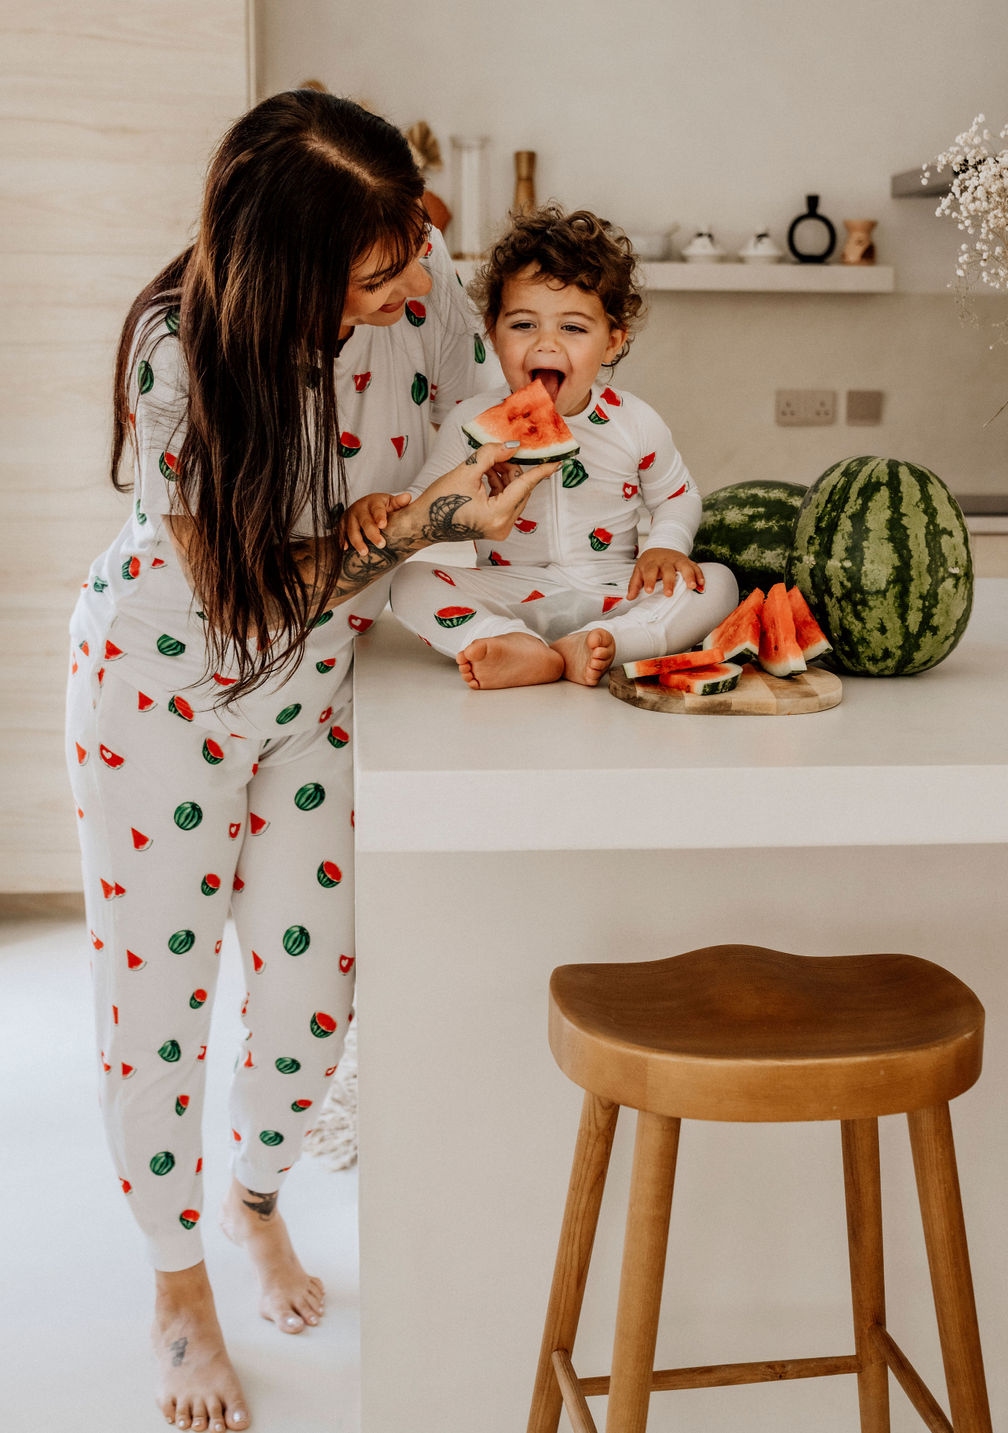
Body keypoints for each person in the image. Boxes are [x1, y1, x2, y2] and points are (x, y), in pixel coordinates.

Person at [64, 89, 556, 1433]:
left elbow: (503, 406)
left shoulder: (422, 281)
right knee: (156, 1012)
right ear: (288, 272)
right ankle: (180, 1290)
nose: (411, 284)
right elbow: (242, 592)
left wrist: (549, 432)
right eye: (377, 265)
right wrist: (426, 525)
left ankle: (255, 1199)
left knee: (316, 997)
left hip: (312, 693)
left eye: (410, 245)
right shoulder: (176, 352)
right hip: (159, 695)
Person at [384, 205, 738, 688]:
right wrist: (385, 509)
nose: (547, 345)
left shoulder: (634, 420)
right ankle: (508, 642)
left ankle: (607, 641)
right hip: (512, 589)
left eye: (572, 328)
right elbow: (430, 504)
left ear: (612, 342)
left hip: (614, 589)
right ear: (492, 332)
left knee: (717, 582)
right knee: (407, 582)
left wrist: (664, 547)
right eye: (524, 325)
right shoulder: (472, 421)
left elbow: (677, 496)